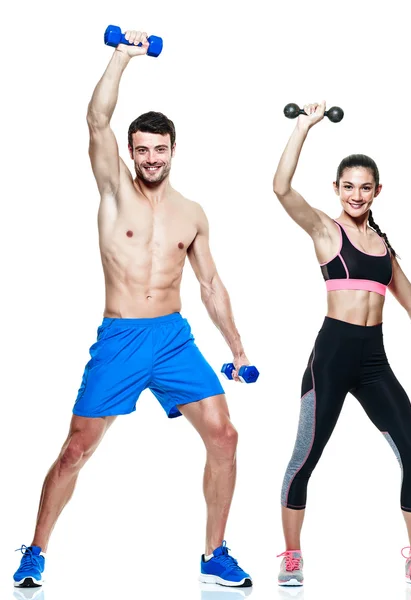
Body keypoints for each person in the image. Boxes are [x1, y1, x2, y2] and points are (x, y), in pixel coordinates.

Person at [13, 30, 252, 589]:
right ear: (131, 152)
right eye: (141, 149)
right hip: (120, 338)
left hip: (173, 339)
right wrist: (122, 57)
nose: (150, 158)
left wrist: (237, 348)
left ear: (173, 151)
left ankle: (214, 553)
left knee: (225, 437)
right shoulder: (114, 190)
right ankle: (35, 549)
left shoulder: (191, 212)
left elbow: (211, 284)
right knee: (75, 449)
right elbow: (97, 120)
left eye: (159, 149)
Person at [273, 101, 411, 589]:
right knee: (305, 457)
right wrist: (303, 127)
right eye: (348, 186)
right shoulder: (325, 230)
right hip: (332, 357)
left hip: (374, 361)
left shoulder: (383, 248)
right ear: (336, 189)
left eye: (365, 187)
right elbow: (280, 189)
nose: (357, 194)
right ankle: (292, 555)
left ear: (378, 191)